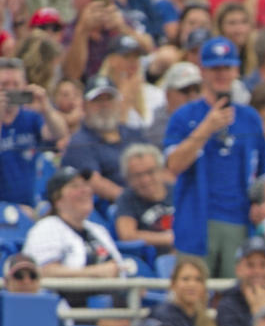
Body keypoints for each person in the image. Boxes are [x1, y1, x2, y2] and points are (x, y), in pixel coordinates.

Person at [164, 37, 265, 278]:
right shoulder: (184, 116)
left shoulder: (250, 117)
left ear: (236, 70)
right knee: (194, 298)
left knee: (234, 298)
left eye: (227, 67)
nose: (221, 74)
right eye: (215, 68)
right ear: (203, 71)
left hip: (239, 222)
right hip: (196, 224)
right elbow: (173, 166)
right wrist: (206, 128)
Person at [21, 166, 124, 308]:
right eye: (75, 186)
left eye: (85, 185)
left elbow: (118, 268)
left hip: (107, 303)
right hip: (67, 309)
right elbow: (44, 272)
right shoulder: (46, 228)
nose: (85, 190)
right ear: (57, 199)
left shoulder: (98, 230)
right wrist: (95, 273)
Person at [62, 75, 146, 206]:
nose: (104, 105)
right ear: (84, 106)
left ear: (118, 102)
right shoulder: (79, 142)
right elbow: (95, 183)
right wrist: (136, 203)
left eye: (109, 99)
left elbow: (157, 169)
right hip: (112, 209)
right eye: (97, 100)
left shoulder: (133, 134)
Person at [0, 57, 68, 207]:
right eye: (4, 85)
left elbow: (59, 133)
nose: (10, 90)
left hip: (29, 205)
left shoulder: (30, 117)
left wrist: (46, 108)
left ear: (24, 86)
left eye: (16, 84)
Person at [145, 255, 228, 326]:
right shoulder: (161, 316)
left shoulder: (205, 320)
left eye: (198, 280)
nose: (192, 284)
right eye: (185, 279)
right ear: (173, 284)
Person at [2, 253, 79, 326]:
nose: (27, 281)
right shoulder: (3, 312)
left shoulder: (49, 312)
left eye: (32, 276)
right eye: (19, 276)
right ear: (7, 282)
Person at [115, 144, 175, 254]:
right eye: (138, 175)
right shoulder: (126, 199)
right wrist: (168, 238)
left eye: (150, 172)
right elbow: (127, 235)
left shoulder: (177, 191)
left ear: (161, 171)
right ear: (128, 179)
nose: (145, 180)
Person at [146, 60, 202, 147]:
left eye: (197, 90)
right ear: (168, 95)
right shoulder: (157, 121)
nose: (192, 95)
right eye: (185, 90)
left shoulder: (209, 114)